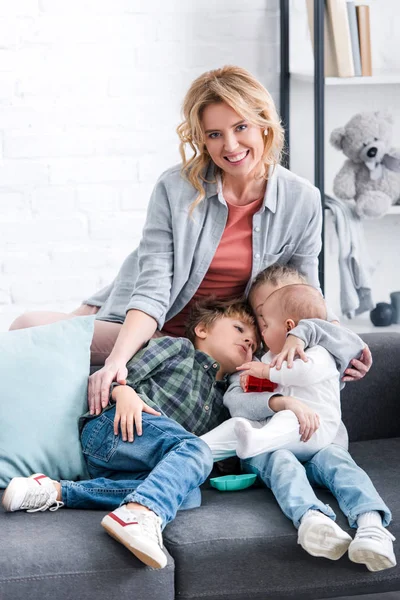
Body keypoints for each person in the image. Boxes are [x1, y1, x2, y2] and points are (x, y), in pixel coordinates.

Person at [9, 65, 372, 416]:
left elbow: (306, 292)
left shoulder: (302, 199)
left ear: (263, 124)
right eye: (214, 134)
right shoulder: (175, 189)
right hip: (148, 327)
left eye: (241, 127)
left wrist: (342, 343)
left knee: (58, 347)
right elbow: (151, 291)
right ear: (201, 139)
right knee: (27, 329)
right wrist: (117, 360)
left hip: (212, 342)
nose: (230, 146)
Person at [2, 299, 258, 571]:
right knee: (196, 449)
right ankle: (137, 515)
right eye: (239, 329)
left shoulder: (224, 399)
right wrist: (123, 392)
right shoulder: (176, 348)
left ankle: (54, 491)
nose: (247, 342)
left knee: (190, 494)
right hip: (112, 430)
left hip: (131, 466)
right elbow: (119, 375)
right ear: (203, 330)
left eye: (254, 345)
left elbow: (210, 459)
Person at [204, 265, 396, 572]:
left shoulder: (324, 352)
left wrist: (303, 335)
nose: (270, 324)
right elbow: (235, 400)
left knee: (342, 466)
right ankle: (312, 519)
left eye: (286, 313)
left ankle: (372, 527)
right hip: (272, 447)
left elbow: (345, 342)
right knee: (281, 462)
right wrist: (278, 401)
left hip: (322, 444)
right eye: (263, 316)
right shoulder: (255, 361)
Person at [203, 283, 348, 462]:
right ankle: (197, 448)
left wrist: (266, 372)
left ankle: (257, 441)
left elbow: (303, 373)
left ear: (288, 327)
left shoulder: (320, 353)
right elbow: (260, 382)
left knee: (288, 417)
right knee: (237, 425)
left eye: (267, 326)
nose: (262, 333)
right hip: (273, 423)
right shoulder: (272, 356)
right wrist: (251, 379)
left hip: (313, 428)